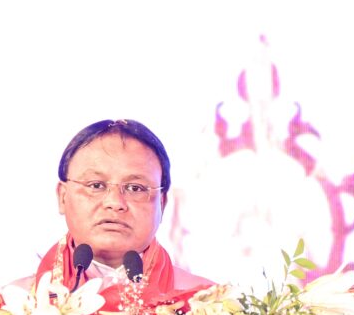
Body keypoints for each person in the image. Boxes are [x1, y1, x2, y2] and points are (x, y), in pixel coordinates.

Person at [16, 118, 212, 292]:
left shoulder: (207, 306)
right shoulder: (16, 308)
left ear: (162, 204)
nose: (115, 203)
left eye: (135, 188)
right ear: (63, 197)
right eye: (96, 185)